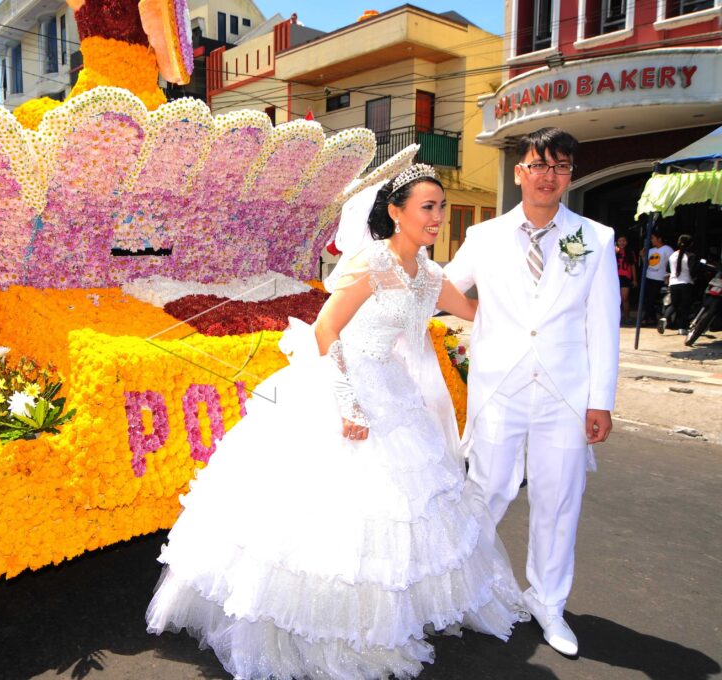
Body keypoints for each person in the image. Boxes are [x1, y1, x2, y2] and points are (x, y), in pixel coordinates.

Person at [147, 164, 528, 680]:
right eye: (427, 207)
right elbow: (327, 332)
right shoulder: (371, 264)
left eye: (441, 207)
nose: (438, 217)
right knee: (327, 518)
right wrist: (348, 403)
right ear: (397, 212)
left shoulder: (430, 275)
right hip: (340, 384)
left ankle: (385, 617)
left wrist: (531, 307)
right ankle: (318, 624)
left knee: (406, 511)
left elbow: (476, 312)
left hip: (395, 395)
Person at [444, 128, 620, 657]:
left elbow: (604, 323)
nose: (548, 175)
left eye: (560, 166)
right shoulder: (485, 237)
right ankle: (461, 587)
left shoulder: (596, 237)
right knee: (488, 489)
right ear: (519, 171)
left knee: (558, 499)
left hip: (565, 391)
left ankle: (548, 602)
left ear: (570, 175)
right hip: (500, 386)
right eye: (538, 164)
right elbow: (442, 285)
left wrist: (601, 399)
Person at [665, 235, 697, 335]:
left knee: (674, 305)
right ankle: (682, 327)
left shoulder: (672, 255)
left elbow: (667, 269)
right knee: (685, 307)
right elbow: (693, 271)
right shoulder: (691, 255)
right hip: (686, 283)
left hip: (673, 283)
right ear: (691, 244)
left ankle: (665, 319)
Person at [642, 231, 673, 326]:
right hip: (649, 276)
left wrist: (668, 275)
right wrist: (643, 256)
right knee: (647, 299)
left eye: (653, 238)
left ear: (659, 239)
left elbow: (673, 263)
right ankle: (651, 318)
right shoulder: (651, 250)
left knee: (652, 299)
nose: (651, 240)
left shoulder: (667, 249)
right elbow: (646, 264)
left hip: (660, 278)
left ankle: (647, 318)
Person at [615, 235, 636, 324]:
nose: (622, 243)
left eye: (624, 241)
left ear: (626, 242)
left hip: (625, 277)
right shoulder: (613, 251)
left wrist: (635, 279)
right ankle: (616, 317)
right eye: (620, 241)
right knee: (615, 299)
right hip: (615, 277)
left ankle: (627, 317)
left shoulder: (630, 252)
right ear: (617, 242)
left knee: (624, 298)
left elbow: (633, 266)